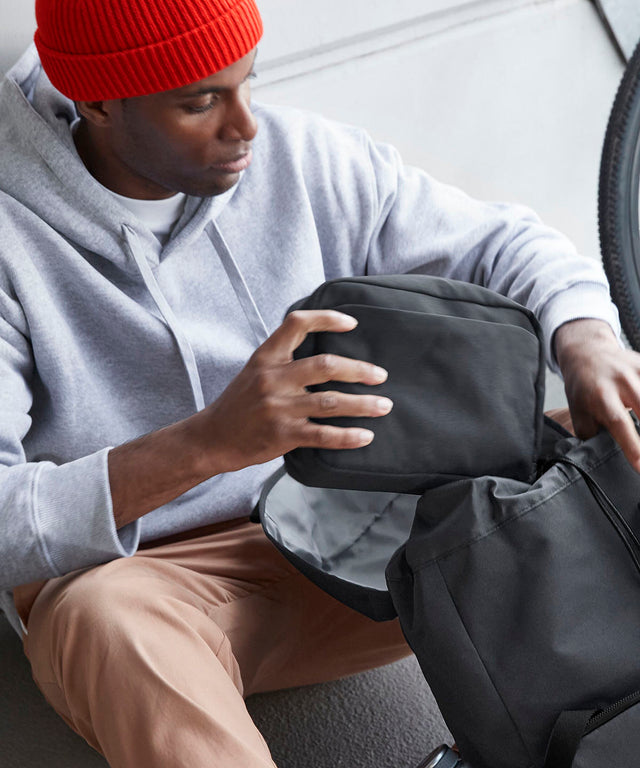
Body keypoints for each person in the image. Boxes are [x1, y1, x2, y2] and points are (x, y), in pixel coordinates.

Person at [0, 0, 637, 766]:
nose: (247, 125)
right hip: (159, 576)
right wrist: (206, 445)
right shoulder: (11, 242)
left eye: (248, 81)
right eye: (200, 102)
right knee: (104, 619)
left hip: (376, 529)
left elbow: (503, 243)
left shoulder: (301, 157)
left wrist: (586, 339)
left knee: (620, 431)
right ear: (99, 103)